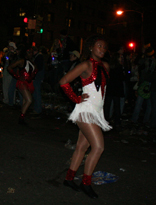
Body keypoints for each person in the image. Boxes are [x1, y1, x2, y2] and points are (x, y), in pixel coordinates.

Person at [59, 35, 111, 199]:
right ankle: (86, 183)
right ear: (91, 47)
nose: (102, 49)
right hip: (85, 110)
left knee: (82, 147)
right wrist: (76, 98)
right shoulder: (85, 64)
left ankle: (69, 178)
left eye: (104, 47)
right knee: (99, 147)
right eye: (99, 46)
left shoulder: (106, 66)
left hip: (97, 111)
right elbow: (64, 81)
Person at [7, 45, 37, 124]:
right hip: (22, 83)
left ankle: (22, 118)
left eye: (31, 52)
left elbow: (34, 71)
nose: (31, 53)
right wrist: (17, 76)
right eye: (29, 52)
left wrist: (32, 75)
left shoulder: (32, 62)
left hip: (29, 83)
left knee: (25, 101)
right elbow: (9, 67)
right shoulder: (21, 61)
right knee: (29, 100)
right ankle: (21, 117)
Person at [31, 46, 45, 116]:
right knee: (36, 92)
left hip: (37, 77)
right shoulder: (39, 57)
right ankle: (37, 108)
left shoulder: (39, 57)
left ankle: (38, 109)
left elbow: (39, 67)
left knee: (36, 92)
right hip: (37, 76)